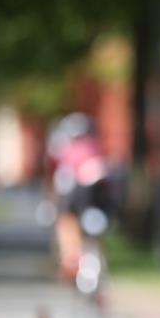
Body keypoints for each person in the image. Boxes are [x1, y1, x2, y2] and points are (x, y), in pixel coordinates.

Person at [44, 113, 110, 280]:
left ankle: (71, 261)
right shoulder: (96, 149)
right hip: (94, 199)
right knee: (91, 232)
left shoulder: (64, 150)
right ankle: (82, 259)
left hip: (75, 196)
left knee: (66, 222)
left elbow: (55, 179)